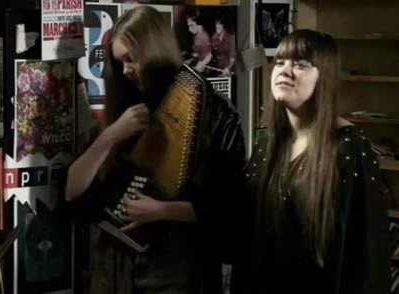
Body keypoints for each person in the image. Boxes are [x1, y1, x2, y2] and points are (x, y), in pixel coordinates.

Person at [62, 6, 246, 294]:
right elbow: (72, 192)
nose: (125, 71)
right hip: (116, 271)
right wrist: (110, 136)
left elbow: (230, 208)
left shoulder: (215, 113)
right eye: (119, 63)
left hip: (180, 272)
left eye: (131, 60)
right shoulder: (124, 112)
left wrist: (161, 210)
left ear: (153, 51)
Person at [238, 29, 391, 294]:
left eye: (300, 64)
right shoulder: (267, 143)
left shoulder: (348, 147)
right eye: (280, 62)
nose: (285, 71)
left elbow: (367, 256)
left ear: (325, 78)